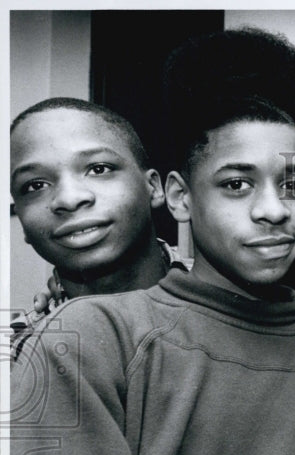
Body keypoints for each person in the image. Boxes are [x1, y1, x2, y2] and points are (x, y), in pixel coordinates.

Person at [10, 27, 295, 455]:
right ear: (178, 194)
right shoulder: (88, 338)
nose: (272, 210)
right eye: (236, 183)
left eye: (294, 184)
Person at [8, 98, 187, 353]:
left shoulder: (234, 301)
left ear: (154, 187)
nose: (69, 199)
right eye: (35, 185)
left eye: (98, 169)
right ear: (21, 220)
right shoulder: (17, 355)